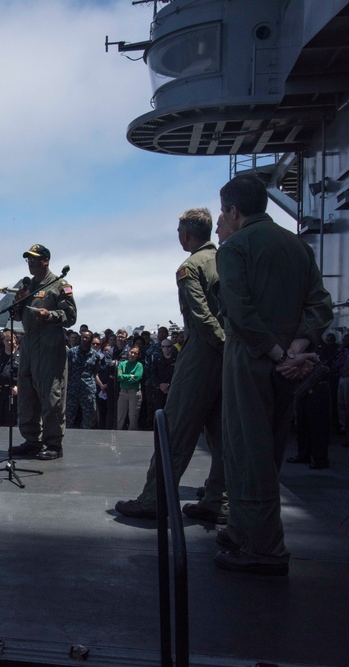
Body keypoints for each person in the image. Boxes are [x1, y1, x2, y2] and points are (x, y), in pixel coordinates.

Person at [213, 175, 332, 576]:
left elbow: (239, 310)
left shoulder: (235, 248)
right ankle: (242, 528)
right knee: (271, 448)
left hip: (251, 360)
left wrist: (276, 352)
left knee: (247, 450)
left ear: (233, 210)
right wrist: (298, 346)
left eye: (222, 212)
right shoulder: (299, 245)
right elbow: (320, 304)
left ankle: (264, 548)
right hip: (289, 366)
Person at [116, 208, 228, 522]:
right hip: (226, 356)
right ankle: (219, 500)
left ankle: (154, 499)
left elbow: (201, 317)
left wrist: (221, 343)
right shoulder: (225, 260)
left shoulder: (190, 267)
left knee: (175, 427)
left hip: (203, 352)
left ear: (187, 234)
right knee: (220, 431)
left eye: (179, 231)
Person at [8, 244, 77, 460]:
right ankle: (32, 440)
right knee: (27, 395)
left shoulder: (60, 285)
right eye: (28, 259)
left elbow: (71, 316)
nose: (31, 262)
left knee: (51, 396)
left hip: (50, 345)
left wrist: (50, 315)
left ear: (46, 260)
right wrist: (18, 301)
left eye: (35, 259)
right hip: (29, 344)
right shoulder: (28, 286)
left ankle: (54, 444)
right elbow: (17, 317)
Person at [65, 330, 99, 429]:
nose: (84, 339)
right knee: (69, 415)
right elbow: (68, 369)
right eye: (83, 337)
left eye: (87, 338)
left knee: (89, 415)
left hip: (88, 389)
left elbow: (95, 371)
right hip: (73, 388)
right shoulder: (72, 352)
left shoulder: (95, 355)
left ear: (91, 340)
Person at [115, 347, 143, 431]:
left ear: (138, 356)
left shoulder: (139, 365)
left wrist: (125, 377)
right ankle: (118, 433)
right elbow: (119, 377)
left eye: (135, 353)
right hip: (123, 393)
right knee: (120, 416)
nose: (133, 355)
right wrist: (130, 375)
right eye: (131, 352)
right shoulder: (122, 364)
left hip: (134, 393)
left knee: (133, 416)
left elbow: (136, 378)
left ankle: (132, 436)